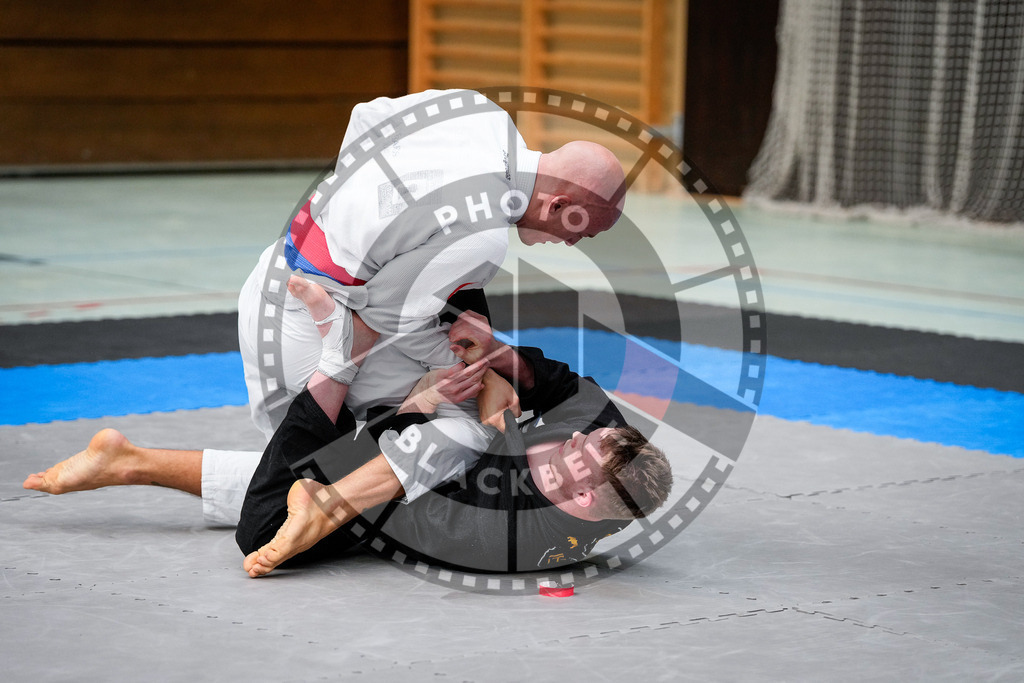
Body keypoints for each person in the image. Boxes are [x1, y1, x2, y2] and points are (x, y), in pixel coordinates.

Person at [24, 282, 672, 579]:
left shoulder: (518, 537)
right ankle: (442, 289)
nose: (567, 440)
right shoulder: (607, 440)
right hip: (434, 435)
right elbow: (561, 385)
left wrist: (412, 411)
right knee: (480, 384)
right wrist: (497, 361)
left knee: (265, 522)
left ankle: (129, 459)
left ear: (580, 498)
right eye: (582, 438)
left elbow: (410, 504)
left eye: (573, 456)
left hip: (402, 492)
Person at [242, 88, 627, 441]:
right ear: (556, 204)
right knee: (472, 414)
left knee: (283, 476)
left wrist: (355, 208)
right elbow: (390, 319)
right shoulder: (483, 237)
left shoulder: (483, 113)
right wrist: (483, 371)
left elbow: (367, 115)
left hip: (270, 271)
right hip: (302, 330)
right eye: (579, 231)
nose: (571, 242)